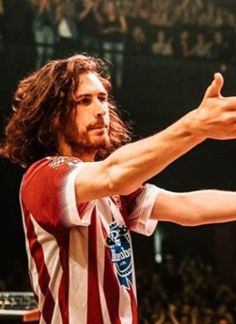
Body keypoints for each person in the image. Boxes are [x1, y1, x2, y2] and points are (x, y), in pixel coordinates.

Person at [2, 53, 236, 324]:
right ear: (54, 116)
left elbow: (187, 208)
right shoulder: (43, 176)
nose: (100, 109)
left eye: (102, 98)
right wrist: (195, 127)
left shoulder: (108, 187)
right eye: (84, 100)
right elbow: (114, 174)